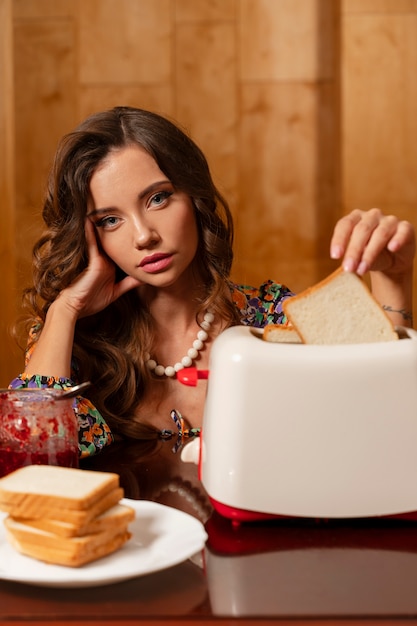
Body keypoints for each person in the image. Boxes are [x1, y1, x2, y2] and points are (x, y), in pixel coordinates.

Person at [9, 106, 416, 459]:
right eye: (110, 220)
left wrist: (393, 278)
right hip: (127, 548)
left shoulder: (272, 320)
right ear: (91, 235)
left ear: (195, 198)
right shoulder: (73, 343)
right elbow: (28, 456)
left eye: (158, 198)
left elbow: (382, 419)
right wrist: (65, 309)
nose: (143, 235)